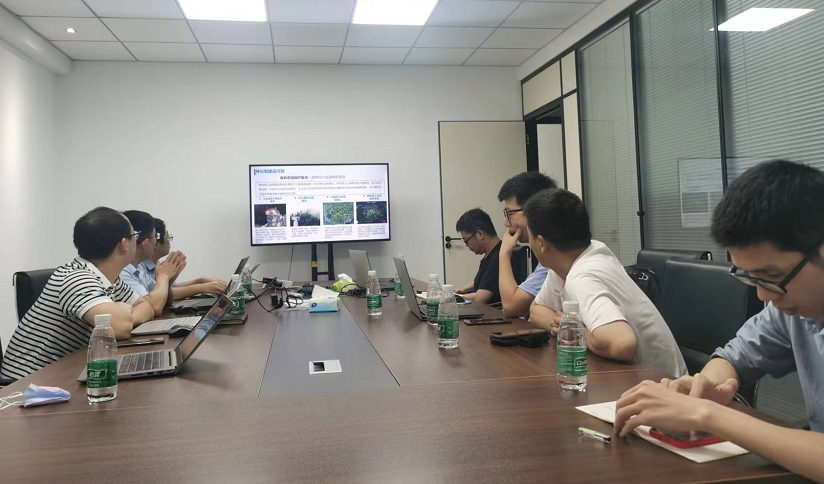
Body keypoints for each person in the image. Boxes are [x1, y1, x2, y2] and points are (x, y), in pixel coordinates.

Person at [614, 160, 824, 483]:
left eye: (771, 276)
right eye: (751, 278)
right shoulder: (791, 307)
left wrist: (707, 415)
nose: (763, 296)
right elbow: (736, 356)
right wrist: (704, 387)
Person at [525, 188, 686, 377]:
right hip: (634, 379)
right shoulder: (569, 261)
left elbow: (623, 344)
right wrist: (563, 326)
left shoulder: (582, 277)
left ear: (541, 243)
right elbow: (537, 310)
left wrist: (572, 330)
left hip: (668, 385)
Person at [0, 208, 159, 380]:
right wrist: (123, 316)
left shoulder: (109, 278)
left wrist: (125, 314)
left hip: (62, 375)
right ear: (124, 244)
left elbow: (146, 307)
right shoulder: (76, 278)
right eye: (134, 235)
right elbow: (120, 327)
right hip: (25, 386)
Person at [497, 172, 557, 317]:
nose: (506, 223)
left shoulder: (556, 256)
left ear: (532, 211)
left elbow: (511, 307)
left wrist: (504, 253)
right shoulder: (548, 254)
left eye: (509, 214)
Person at [139, 218, 227, 300]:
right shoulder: (140, 268)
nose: (169, 241)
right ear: (156, 243)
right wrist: (201, 288)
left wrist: (200, 281)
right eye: (167, 237)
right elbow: (162, 295)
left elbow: (173, 288)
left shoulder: (155, 264)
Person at [119, 210, 186, 317]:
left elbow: (163, 299)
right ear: (145, 243)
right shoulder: (122, 272)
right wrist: (163, 276)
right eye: (155, 237)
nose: (156, 243)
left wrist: (168, 281)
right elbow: (154, 307)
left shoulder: (138, 269)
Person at [455, 208, 502, 305]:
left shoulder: (498, 258)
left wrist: (452, 297)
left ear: (480, 234)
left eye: (466, 241)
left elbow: (480, 298)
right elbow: (483, 280)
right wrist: (463, 290)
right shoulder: (491, 254)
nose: (467, 245)